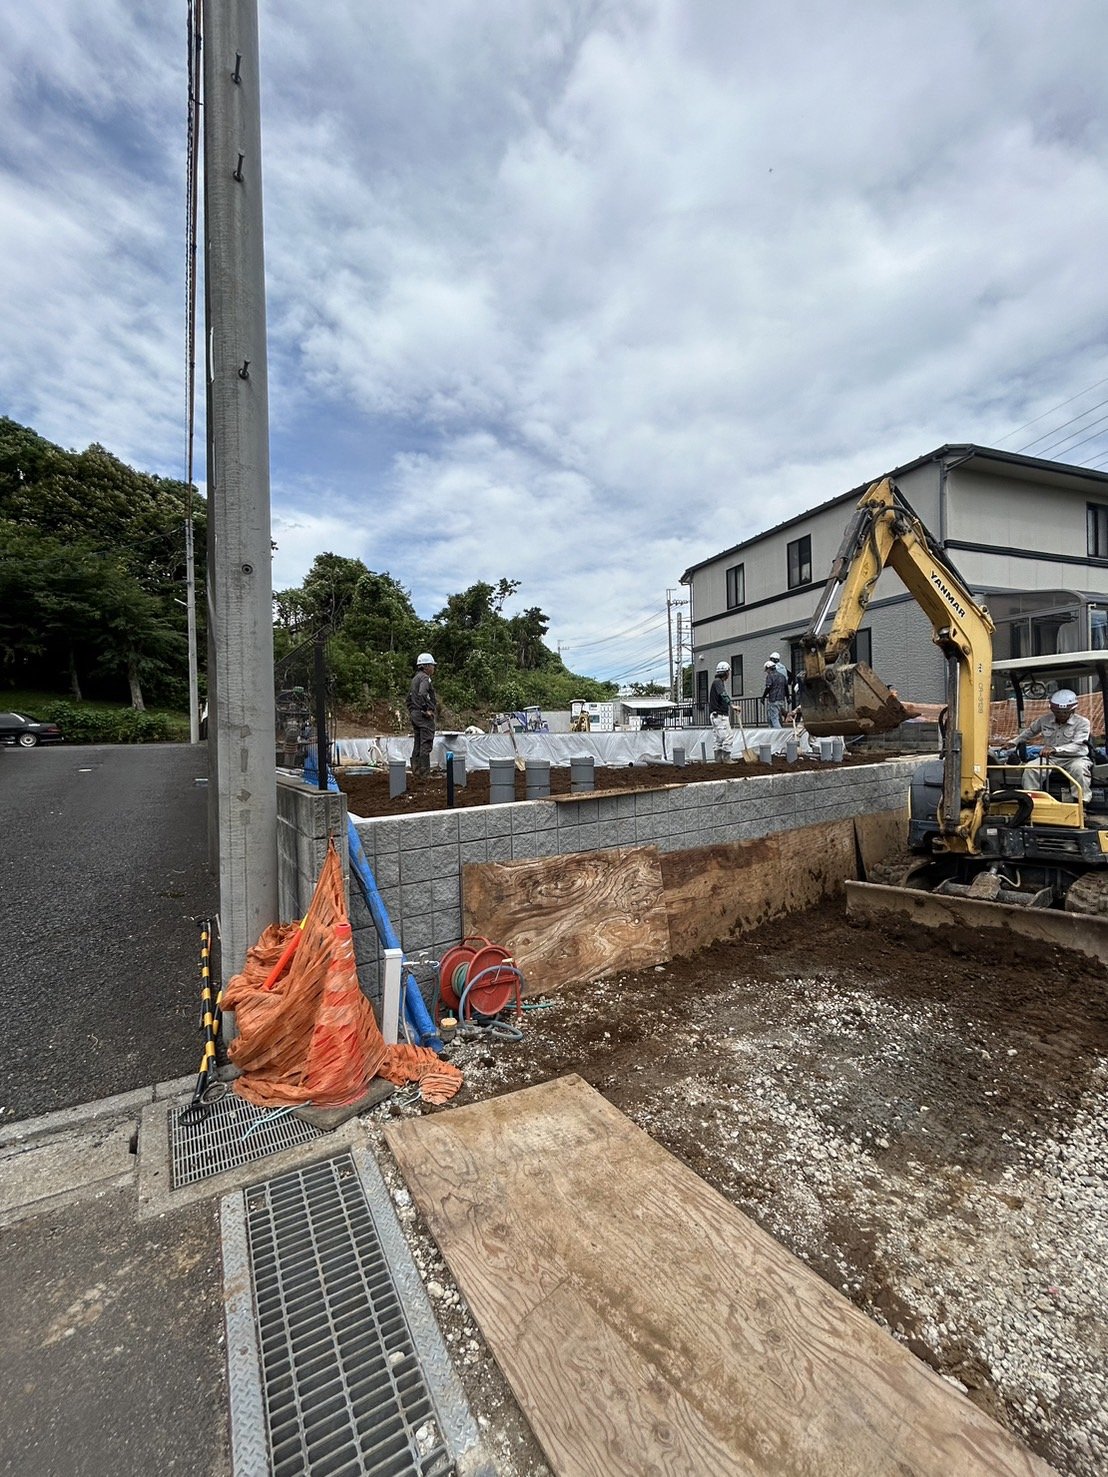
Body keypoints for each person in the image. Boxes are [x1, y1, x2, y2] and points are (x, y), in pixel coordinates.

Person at [1014, 689, 1091, 802]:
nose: (1061, 715)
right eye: (1058, 712)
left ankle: (1081, 803)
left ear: (1073, 710)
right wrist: (1014, 742)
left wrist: (1055, 749)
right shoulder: (1044, 720)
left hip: (1075, 758)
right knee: (1031, 769)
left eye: (1064, 712)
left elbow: (1078, 744)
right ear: (1052, 710)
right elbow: (1030, 732)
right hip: (1051, 759)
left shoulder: (1083, 723)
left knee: (1079, 770)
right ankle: (1032, 801)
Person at [408, 653, 438, 776]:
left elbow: (409, 698)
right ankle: (424, 773)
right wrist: (426, 710)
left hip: (415, 714)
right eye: (432, 665)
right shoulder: (425, 678)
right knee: (425, 742)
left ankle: (416, 770)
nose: (433, 668)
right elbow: (422, 693)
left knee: (417, 742)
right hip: (422, 715)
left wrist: (412, 711)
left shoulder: (415, 678)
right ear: (426, 666)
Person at [708, 660, 732, 756]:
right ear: (725, 673)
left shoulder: (717, 682)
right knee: (727, 736)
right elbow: (722, 694)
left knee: (718, 738)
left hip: (715, 714)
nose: (729, 674)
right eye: (728, 672)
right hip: (719, 715)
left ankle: (718, 759)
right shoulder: (718, 682)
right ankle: (726, 758)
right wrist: (731, 704)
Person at [762, 660, 790, 728]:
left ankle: (778, 734)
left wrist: (763, 697)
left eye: (767, 670)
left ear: (769, 668)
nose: (767, 672)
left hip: (773, 699)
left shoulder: (770, 676)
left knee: (774, 719)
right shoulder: (782, 676)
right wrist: (788, 697)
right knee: (777, 717)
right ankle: (773, 733)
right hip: (781, 699)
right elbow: (786, 688)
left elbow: (768, 687)